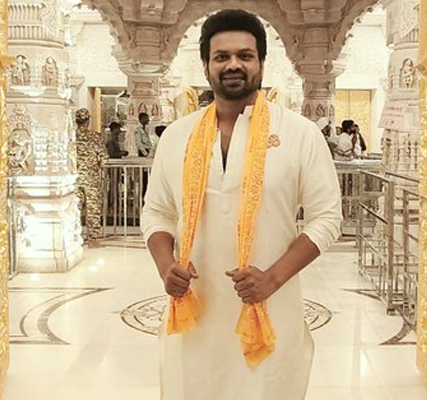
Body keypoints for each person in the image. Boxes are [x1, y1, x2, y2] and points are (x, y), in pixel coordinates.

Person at [141, 9, 342, 400]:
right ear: (206, 66)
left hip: (270, 307)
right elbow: (157, 211)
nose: (233, 64)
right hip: (194, 313)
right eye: (222, 56)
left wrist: (273, 278)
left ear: (261, 63)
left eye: (245, 55)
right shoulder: (177, 136)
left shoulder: (299, 133)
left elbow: (327, 217)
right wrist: (165, 266)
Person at [75, 108, 107, 247]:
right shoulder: (95, 137)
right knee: (93, 210)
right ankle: (93, 239)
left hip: (74, 180)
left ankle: (73, 237)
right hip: (91, 179)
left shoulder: (70, 137)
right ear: (88, 121)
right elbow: (103, 160)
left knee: (74, 208)